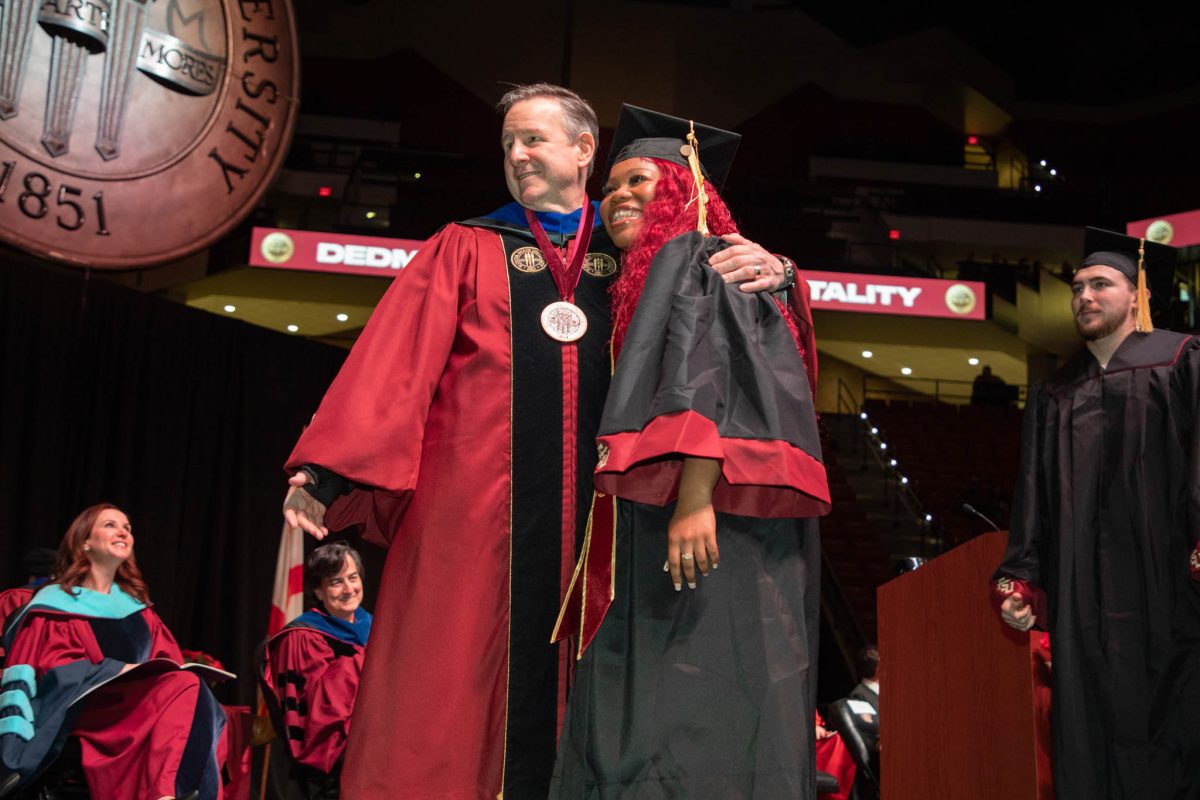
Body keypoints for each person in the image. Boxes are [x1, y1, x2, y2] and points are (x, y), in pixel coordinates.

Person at [279, 84, 795, 799]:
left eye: (533, 140)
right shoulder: (466, 246)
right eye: (507, 144)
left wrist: (779, 273)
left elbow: (715, 344)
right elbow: (396, 364)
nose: (516, 155)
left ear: (585, 150)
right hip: (478, 520)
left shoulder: (635, 255)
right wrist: (327, 473)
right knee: (450, 687)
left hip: (610, 527)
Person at [550, 105, 830, 798]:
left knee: (689, 710)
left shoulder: (697, 256)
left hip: (703, 511)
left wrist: (696, 498)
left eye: (637, 181)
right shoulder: (644, 278)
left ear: (684, 188)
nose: (616, 196)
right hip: (675, 506)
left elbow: (710, 380)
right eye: (608, 187)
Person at [993, 228, 1200, 799]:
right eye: (1078, 286)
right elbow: (1031, 495)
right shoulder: (1055, 393)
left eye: (1101, 284)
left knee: (1174, 729)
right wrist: (1023, 580)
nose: (1084, 295)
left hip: (1170, 589)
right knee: (1086, 736)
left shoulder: (1181, 360)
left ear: (1137, 295)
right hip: (1082, 598)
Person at [0, 504, 225, 800]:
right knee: (185, 686)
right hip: (81, 709)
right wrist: (118, 671)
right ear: (84, 542)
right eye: (110, 525)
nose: (122, 531)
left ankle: (173, 792)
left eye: (127, 527)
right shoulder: (55, 604)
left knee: (201, 698)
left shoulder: (140, 610)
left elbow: (167, 662)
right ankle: (166, 792)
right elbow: (53, 672)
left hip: (133, 706)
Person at [263, 541, 371, 780]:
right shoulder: (301, 638)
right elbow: (320, 707)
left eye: (353, 578)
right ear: (319, 591)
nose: (349, 588)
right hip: (333, 755)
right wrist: (370, 660)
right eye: (336, 582)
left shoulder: (375, 627)